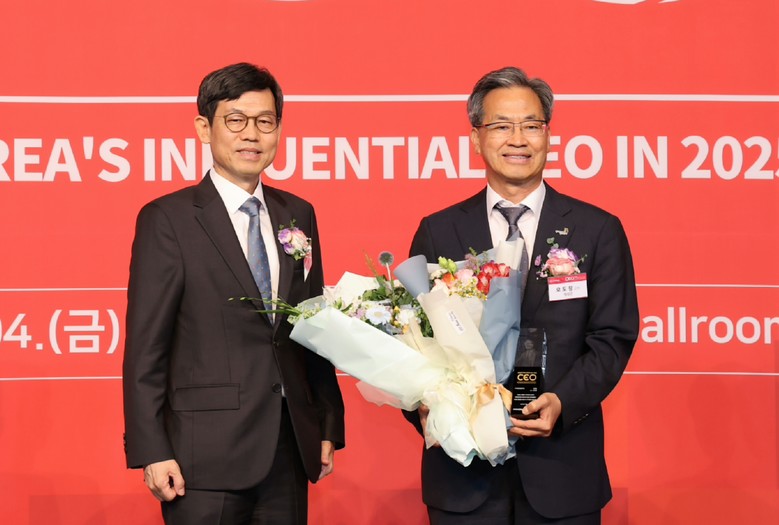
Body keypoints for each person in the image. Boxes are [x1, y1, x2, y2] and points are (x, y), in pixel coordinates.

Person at [406, 67, 639, 524]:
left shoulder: (597, 230)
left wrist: (562, 402)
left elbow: (612, 338)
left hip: (562, 468)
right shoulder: (439, 231)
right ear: (476, 138)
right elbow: (413, 341)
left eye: (531, 125)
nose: (518, 139)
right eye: (501, 126)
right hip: (464, 473)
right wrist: (435, 409)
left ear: (548, 135)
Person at [122, 62, 345, 525]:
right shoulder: (169, 219)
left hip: (288, 445)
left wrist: (327, 422)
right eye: (236, 120)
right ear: (205, 128)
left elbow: (313, 327)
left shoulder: (297, 213)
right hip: (202, 457)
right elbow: (146, 347)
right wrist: (151, 449)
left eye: (265, 121)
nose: (252, 135)